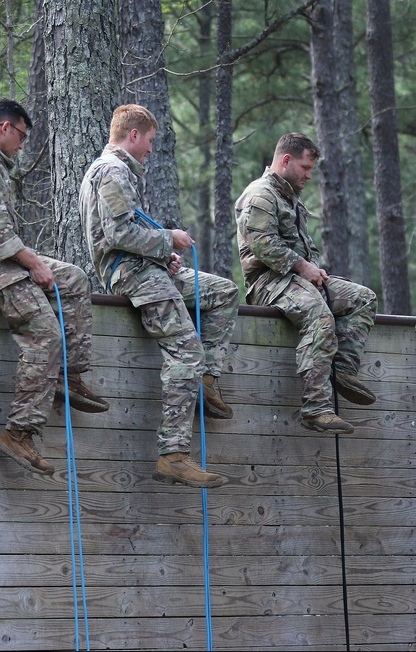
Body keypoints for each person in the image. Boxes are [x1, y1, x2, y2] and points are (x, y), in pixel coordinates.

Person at [0, 98, 109, 475]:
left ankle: (69, 374)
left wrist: (32, 261)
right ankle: (19, 432)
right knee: (45, 334)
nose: (22, 144)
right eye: (21, 135)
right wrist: (31, 262)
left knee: (73, 278)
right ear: (4, 127)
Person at [79, 104, 239, 489]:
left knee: (222, 292)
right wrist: (170, 237)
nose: (151, 149)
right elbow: (118, 236)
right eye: (149, 141)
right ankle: (173, 454)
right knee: (186, 352)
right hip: (132, 275)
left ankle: (206, 382)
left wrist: (160, 253)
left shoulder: (114, 172)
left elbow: (127, 233)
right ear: (133, 135)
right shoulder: (113, 172)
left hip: (144, 267)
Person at [235, 132, 377, 434]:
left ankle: (343, 370)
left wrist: (312, 270)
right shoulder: (261, 194)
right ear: (286, 160)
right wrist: (303, 267)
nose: (309, 176)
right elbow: (262, 244)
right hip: (268, 283)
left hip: (296, 280)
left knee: (363, 298)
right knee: (319, 314)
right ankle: (316, 407)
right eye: (305, 168)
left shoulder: (290, 198)